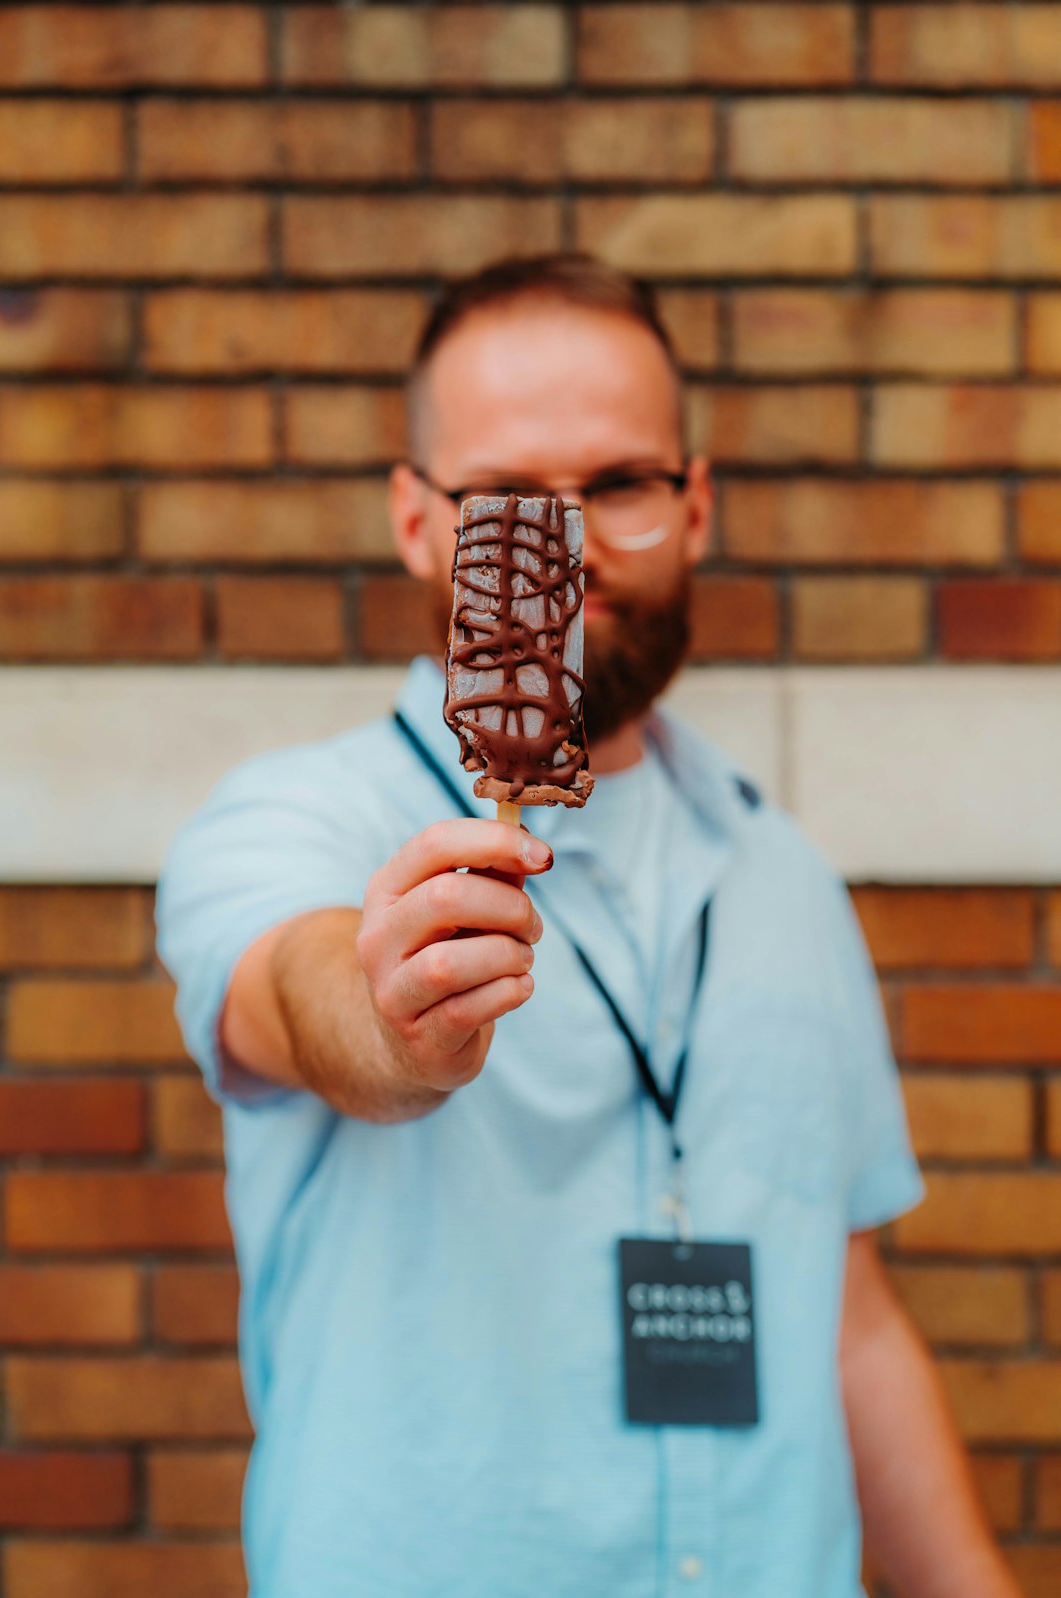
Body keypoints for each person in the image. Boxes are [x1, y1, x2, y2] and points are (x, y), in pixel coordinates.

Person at [157, 255, 1020, 1598]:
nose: (566, 544)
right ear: (415, 519)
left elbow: (842, 1324)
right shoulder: (289, 824)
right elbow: (296, 995)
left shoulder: (785, 877)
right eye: (510, 496)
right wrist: (396, 1023)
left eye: (618, 482)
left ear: (695, 502)